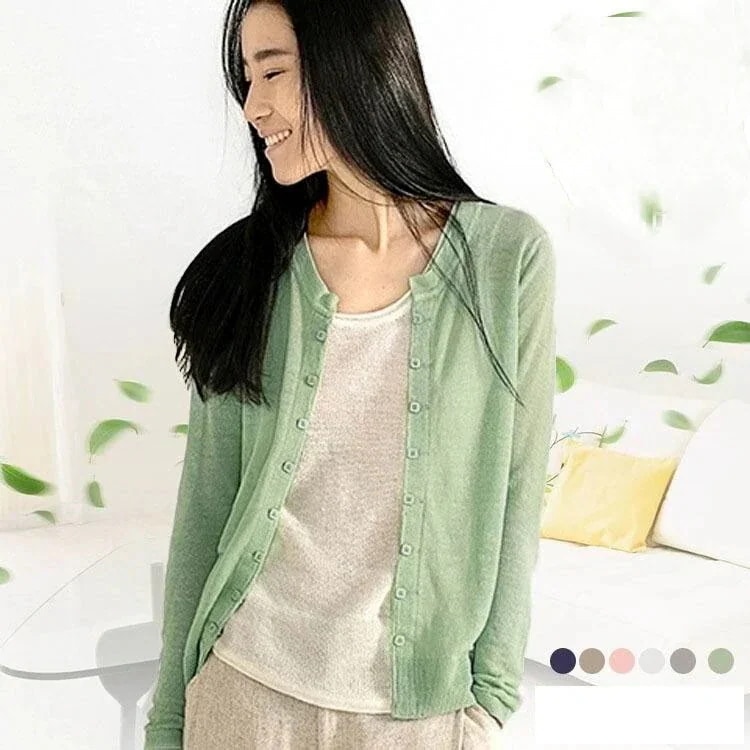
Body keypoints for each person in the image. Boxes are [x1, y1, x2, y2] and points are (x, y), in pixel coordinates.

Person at [143, 1, 556, 748]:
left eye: (273, 71)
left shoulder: (506, 259)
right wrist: (170, 722)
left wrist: (490, 696)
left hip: (417, 715)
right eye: (246, 79)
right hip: (241, 692)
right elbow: (204, 508)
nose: (253, 107)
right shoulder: (244, 273)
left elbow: (518, 486)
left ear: (353, 64)